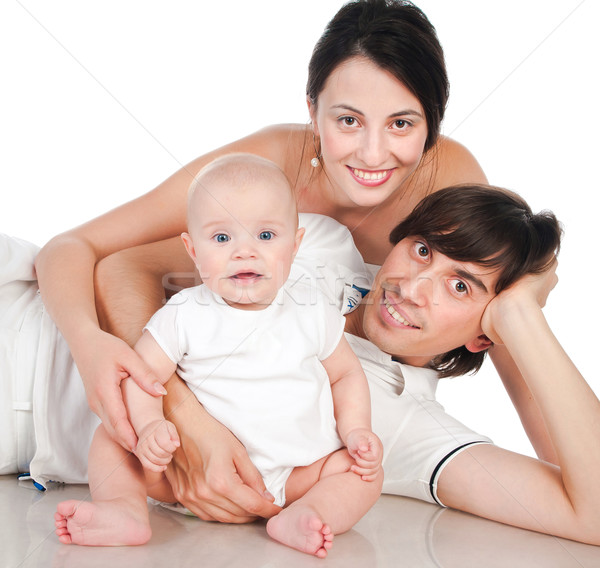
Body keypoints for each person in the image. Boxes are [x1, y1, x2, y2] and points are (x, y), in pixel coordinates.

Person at [32, 0, 489, 520]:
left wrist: (532, 292)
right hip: (68, 366)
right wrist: (97, 351)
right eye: (348, 120)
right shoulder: (263, 171)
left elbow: (504, 291)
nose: (372, 152)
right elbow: (74, 250)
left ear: (432, 127)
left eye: (402, 124)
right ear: (313, 110)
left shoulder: (450, 185)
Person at [54, 154, 383, 557]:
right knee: (111, 437)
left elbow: (345, 376)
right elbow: (143, 378)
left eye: (265, 236)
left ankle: (308, 514)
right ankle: (123, 509)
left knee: (361, 473)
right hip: (183, 480)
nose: (245, 252)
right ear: (192, 250)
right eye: (223, 238)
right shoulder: (183, 314)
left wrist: (356, 431)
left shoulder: (313, 311)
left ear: (295, 245)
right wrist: (151, 424)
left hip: (297, 477)